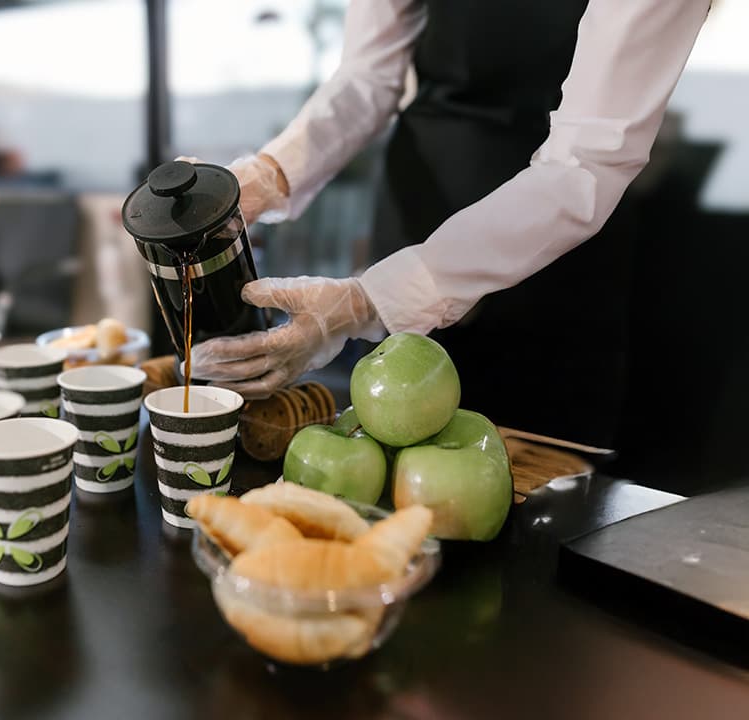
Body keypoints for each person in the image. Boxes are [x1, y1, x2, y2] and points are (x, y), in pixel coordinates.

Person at [187, 0, 712, 445]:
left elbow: (587, 162)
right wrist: (267, 175)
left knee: (536, 476)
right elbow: (368, 74)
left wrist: (369, 301)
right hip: (415, 209)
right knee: (385, 448)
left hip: (555, 255)